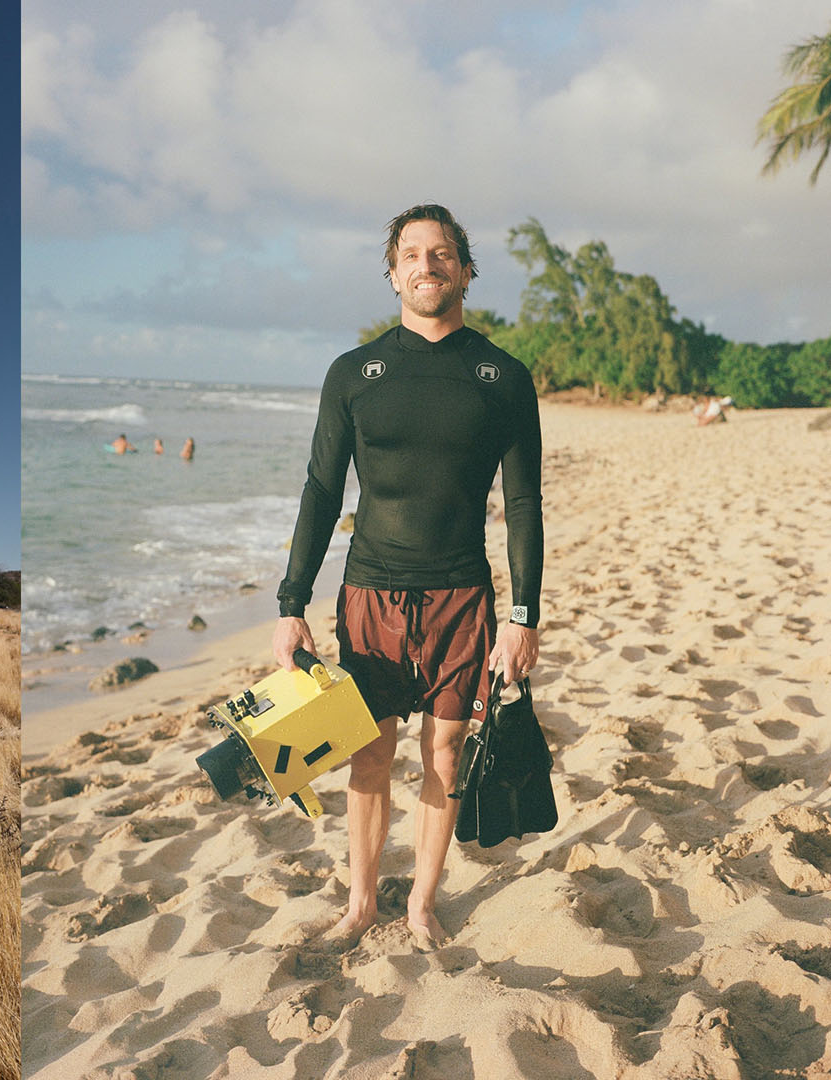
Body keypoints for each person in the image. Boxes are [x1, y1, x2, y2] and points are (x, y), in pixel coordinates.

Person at [272, 204, 542, 951]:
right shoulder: (354, 374)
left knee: (446, 752)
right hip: (369, 595)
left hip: (462, 595)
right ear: (393, 273)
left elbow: (523, 501)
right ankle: (360, 902)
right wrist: (292, 603)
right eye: (413, 255)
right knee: (370, 750)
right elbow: (322, 492)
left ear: (464, 269)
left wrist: (524, 614)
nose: (428, 266)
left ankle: (421, 901)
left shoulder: (502, 377)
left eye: (443, 254)